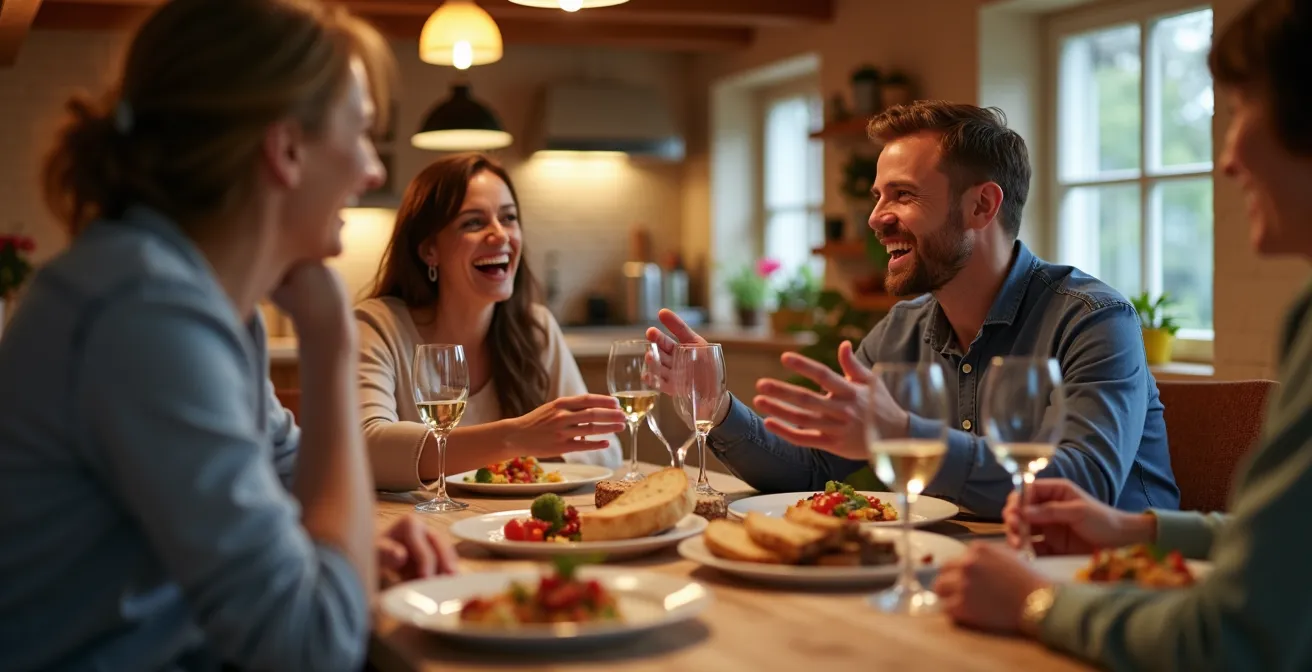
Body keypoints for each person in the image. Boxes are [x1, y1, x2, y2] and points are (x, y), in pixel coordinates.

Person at [0, 2, 454, 671]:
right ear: (286, 150)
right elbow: (312, 648)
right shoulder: (146, 312)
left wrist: (351, 551)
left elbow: (289, 482)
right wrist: (331, 348)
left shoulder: (199, 300)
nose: (373, 170)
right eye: (360, 134)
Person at [934, 1, 1312, 668]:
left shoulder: (1089, 313)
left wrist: (1032, 604)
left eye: (1247, 110)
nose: (1227, 160)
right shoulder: (910, 321)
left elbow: (1231, 639)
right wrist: (1136, 528)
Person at [648, 100, 1178, 517]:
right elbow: (810, 469)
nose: (877, 219)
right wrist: (713, 405)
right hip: (958, 576)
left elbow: (1083, 484)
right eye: (878, 196)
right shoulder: (903, 329)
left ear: (981, 206)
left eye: (902, 195)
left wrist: (903, 434)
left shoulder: (1093, 320)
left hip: (1110, 583)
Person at [357, 153, 624, 492]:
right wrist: (515, 439)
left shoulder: (535, 328)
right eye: (473, 222)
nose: (500, 235)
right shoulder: (378, 327)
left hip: (514, 527)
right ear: (429, 251)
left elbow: (605, 450)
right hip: (419, 532)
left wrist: (533, 449)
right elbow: (366, 449)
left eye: (509, 218)